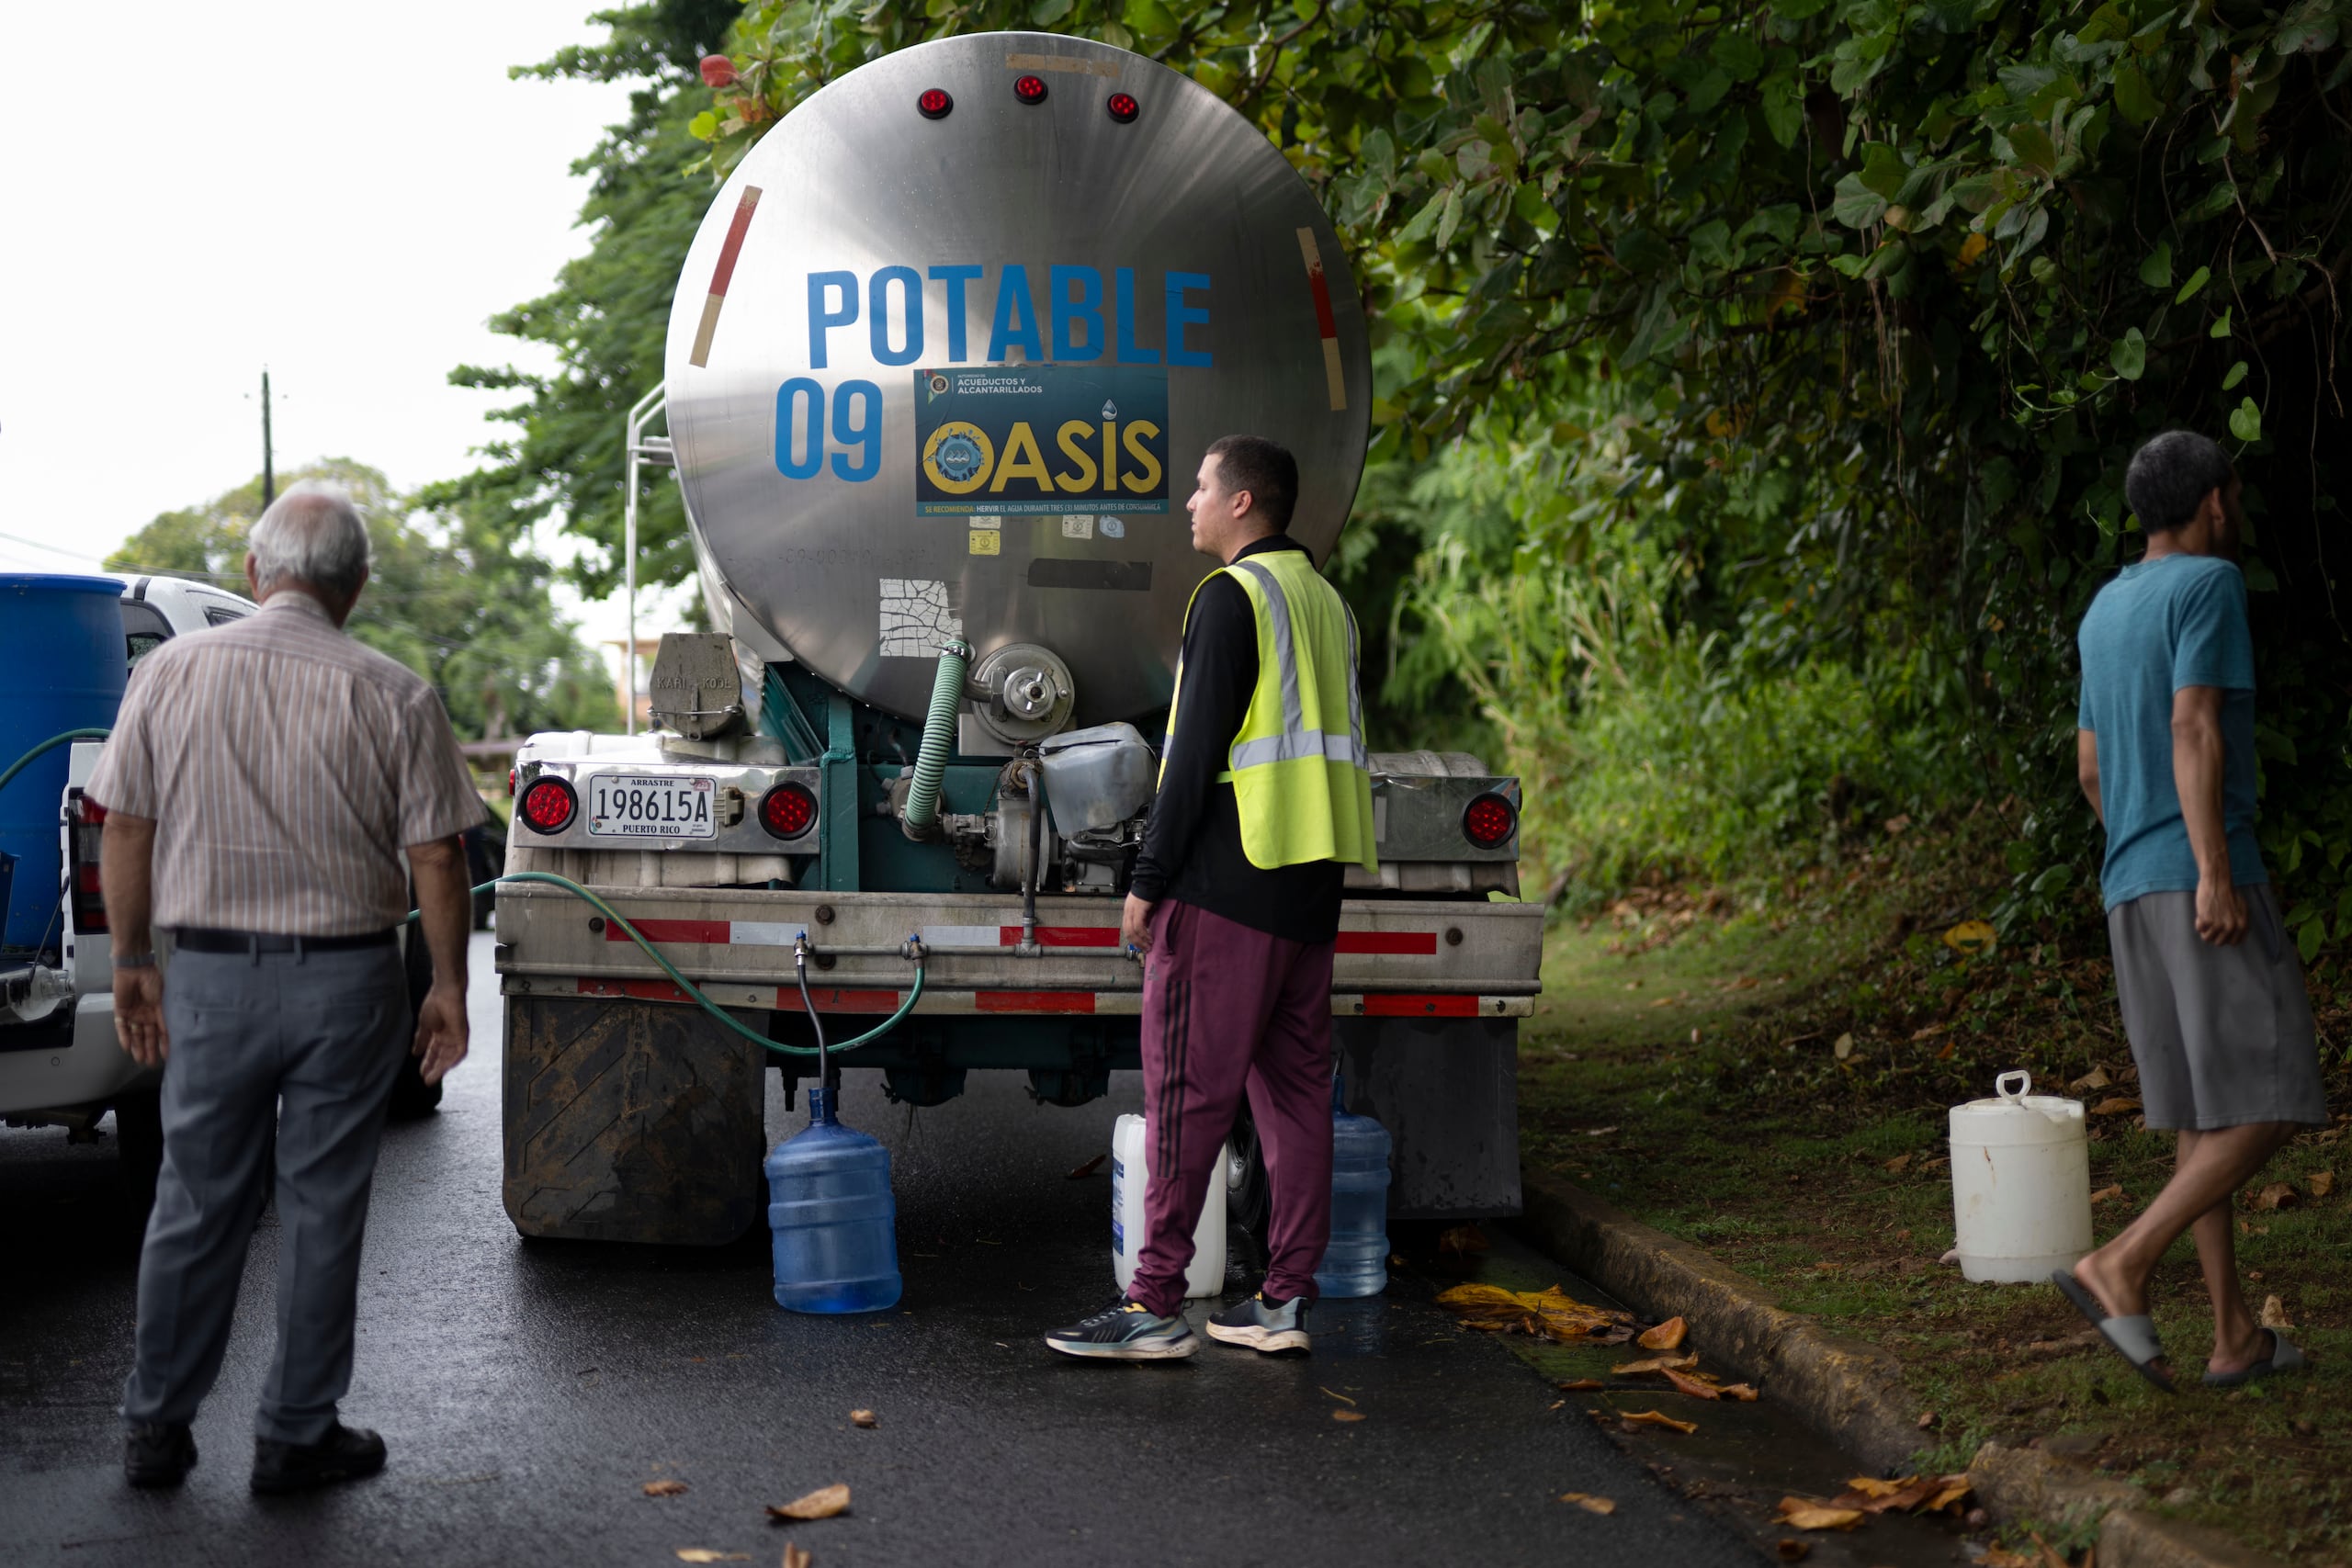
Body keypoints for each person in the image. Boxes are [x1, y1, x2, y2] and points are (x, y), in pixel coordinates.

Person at [93, 484, 484, 1490]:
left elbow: (124, 824)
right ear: (353, 586)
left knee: (195, 1202)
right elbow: (439, 855)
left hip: (211, 978)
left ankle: (155, 1427)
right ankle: (294, 1433)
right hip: (348, 985)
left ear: (256, 573)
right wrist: (449, 986)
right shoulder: (394, 691)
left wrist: (133, 963)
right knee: (320, 1209)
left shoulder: (168, 673)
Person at [1045, 435, 1376, 1361]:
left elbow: (1191, 755)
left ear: (1241, 505)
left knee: (1187, 1093)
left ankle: (1152, 1306)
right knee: (1299, 1095)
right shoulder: (1327, 604)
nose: (1187, 502)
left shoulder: (1232, 597)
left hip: (1228, 882)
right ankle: (1281, 1303)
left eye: (1198, 487)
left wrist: (1147, 881)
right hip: (1310, 883)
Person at [2055, 430, 2327, 1391]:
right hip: (2197, 875)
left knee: (2200, 1111)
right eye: (2235, 493)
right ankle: (2121, 1263)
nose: (2237, 509)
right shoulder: (2207, 584)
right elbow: (2194, 722)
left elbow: (2090, 767)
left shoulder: (2104, 608)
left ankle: (2231, 1337)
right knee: (2277, 1091)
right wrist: (2210, 867)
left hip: (2128, 881)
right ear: (2214, 500)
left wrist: (2143, 843)